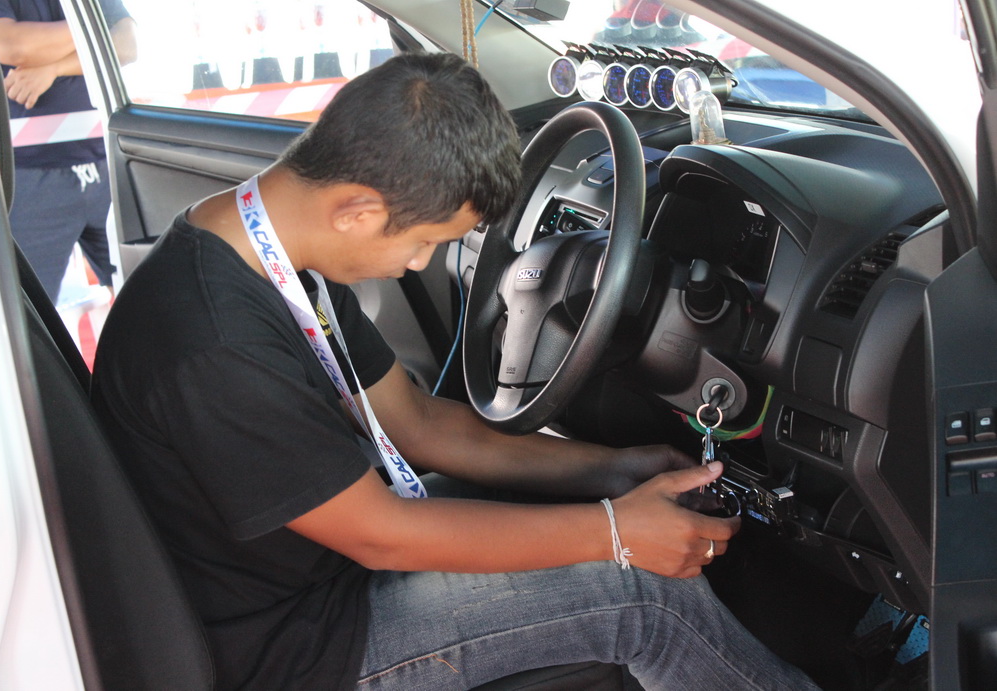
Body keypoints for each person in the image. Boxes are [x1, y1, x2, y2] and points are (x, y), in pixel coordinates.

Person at [90, 52, 818, 690]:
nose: (420, 265)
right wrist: (616, 534)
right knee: (647, 600)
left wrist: (612, 469)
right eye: (423, 242)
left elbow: (419, 423)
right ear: (356, 210)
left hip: (327, 577)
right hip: (297, 647)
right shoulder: (214, 342)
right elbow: (381, 533)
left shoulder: (277, 255)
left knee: (556, 503)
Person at [0, 0, 136, 303]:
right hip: (27, 176)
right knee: (30, 310)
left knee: (142, 296)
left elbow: (126, 45)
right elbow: (13, 46)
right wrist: (95, 23)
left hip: (105, 162)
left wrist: (53, 67)